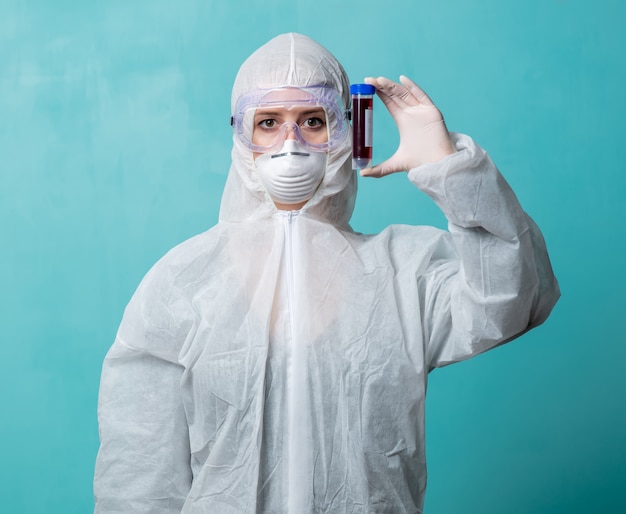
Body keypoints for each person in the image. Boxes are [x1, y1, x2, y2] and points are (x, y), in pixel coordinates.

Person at [93, 33, 559, 513]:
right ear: (240, 135)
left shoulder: (404, 271)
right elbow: (138, 475)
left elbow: (517, 297)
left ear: (346, 134)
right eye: (268, 122)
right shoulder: (182, 283)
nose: (289, 143)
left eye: (313, 121)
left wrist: (452, 170)